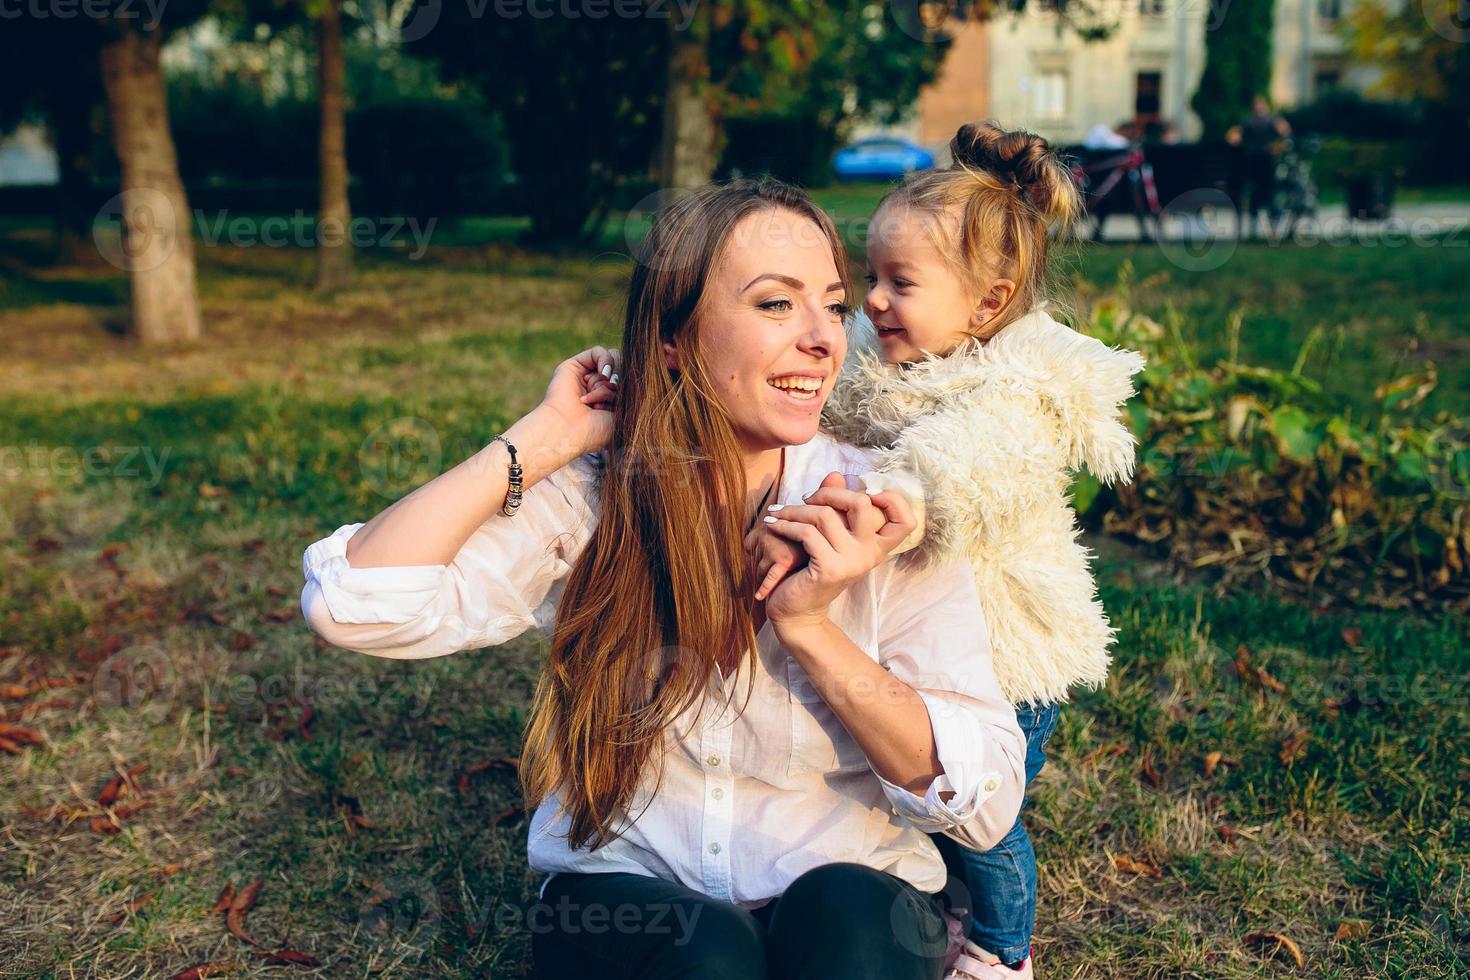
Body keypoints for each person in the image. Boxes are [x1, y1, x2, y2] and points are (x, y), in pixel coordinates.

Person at [299, 178, 1027, 979]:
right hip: (631, 889)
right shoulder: (594, 496)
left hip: (850, 886)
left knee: (849, 932)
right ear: (674, 336)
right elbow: (353, 603)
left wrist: (813, 629)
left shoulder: (882, 505)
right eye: (777, 305)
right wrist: (542, 439)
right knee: (708, 959)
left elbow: (986, 802)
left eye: (832, 302)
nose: (826, 338)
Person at [750, 122, 1146, 978]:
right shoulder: (882, 356)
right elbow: (800, 397)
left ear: (988, 304)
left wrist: (901, 499)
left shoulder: (1019, 388)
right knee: (905, 788)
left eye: (901, 283)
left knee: (983, 823)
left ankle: (1006, 953)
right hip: (914, 634)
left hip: (1006, 657)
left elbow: (964, 463)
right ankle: (918, 905)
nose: (876, 302)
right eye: (872, 279)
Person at [1227, 96, 1292, 240]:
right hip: (1267, 165)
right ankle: (1272, 227)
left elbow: (1232, 138)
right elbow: (1286, 131)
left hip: (1252, 166)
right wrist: (1278, 146)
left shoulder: (1247, 122)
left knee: (1255, 192)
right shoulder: (1272, 120)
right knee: (1270, 193)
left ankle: (1253, 227)